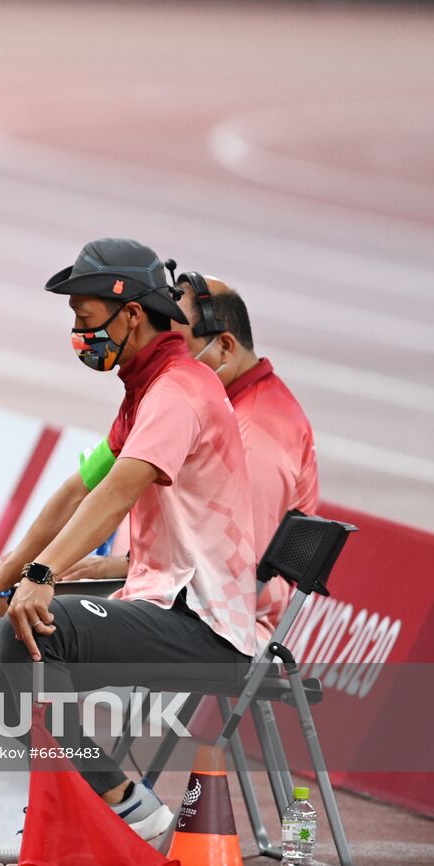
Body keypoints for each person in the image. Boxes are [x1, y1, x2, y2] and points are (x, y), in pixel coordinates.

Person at [0, 238, 258, 847]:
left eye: (85, 320)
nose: (77, 335)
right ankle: (105, 802)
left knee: (35, 630)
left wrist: (39, 578)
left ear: (132, 315)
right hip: (158, 599)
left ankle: (104, 812)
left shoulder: (179, 390)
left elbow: (117, 492)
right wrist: (0, 579)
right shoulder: (144, 388)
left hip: (205, 623)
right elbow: (77, 490)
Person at [172, 271, 319, 643]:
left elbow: (232, 571)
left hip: (221, 623)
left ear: (224, 346)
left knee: (52, 618)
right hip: (176, 597)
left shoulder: (255, 439)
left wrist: (114, 569)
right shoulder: (216, 406)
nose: (167, 366)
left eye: (178, 350)